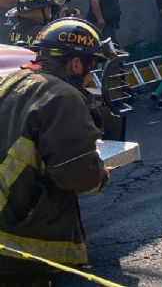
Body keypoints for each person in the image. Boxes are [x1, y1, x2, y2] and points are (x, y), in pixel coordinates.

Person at [0, 18, 114, 286]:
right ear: (75, 63)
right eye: (91, 67)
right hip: (20, 241)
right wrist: (102, 173)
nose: (89, 77)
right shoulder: (62, 96)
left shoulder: (13, 80)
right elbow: (78, 177)